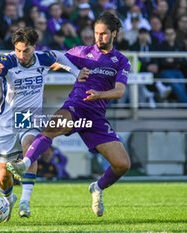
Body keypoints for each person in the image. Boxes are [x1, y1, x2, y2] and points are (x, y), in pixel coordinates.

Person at [7, 12, 131, 217]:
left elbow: (120, 91)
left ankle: (97, 188)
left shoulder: (121, 61)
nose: (99, 38)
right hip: (75, 108)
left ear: (115, 33)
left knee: (122, 165)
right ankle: (24, 164)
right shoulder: (82, 52)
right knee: (51, 127)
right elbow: (54, 62)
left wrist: (100, 94)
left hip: (96, 118)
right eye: (96, 33)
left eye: (104, 34)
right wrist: (62, 69)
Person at [0, 27, 87, 220]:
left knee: (30, 148)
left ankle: (25, 202)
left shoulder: (43, 58)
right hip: (7, 121)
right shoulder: (7, 61)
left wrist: (76, 73)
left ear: (34, 47)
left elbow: (59, 57)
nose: (21, 55)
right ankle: (9, 199)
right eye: (18, 50)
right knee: (3, 175)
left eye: (25, 50)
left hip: (30, 116)